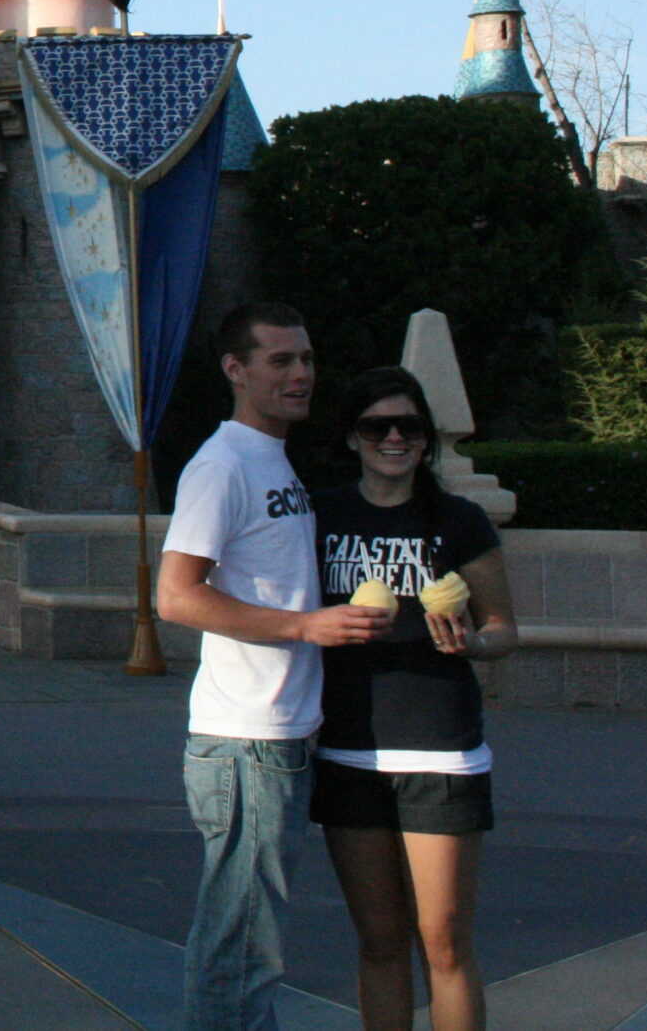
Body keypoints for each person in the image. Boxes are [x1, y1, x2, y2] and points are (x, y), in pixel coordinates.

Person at [156, 303, 390, 1031]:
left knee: (250, 940)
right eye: (281, 360)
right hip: (245, 742)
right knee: (240, 943)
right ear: (236, 370)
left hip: (279, 736)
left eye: (307, 359)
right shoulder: (222, 466)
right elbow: (175, 596)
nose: (301, 374)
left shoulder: (270, 458)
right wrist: (301, 625)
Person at [314, 367, 517, 1031]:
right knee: (378, 939)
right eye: (378, 426)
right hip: (349, 747)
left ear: (427, 440)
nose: (395, 437)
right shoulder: (325, 515)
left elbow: (502, 628)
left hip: (441, 751)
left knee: (444, 941)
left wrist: (470, 645)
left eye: (410, 427)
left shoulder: (456, 520)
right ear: (353, 437)